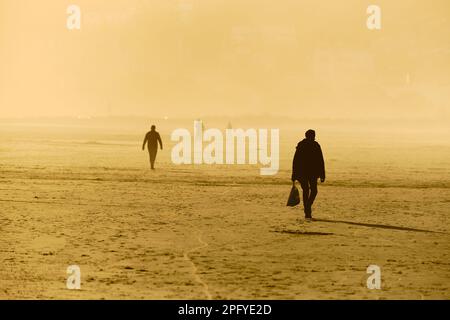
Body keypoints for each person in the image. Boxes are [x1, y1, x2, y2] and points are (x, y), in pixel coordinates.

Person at [291, 129, 325, 220]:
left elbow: (295, 161)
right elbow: (320, 160)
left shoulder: (307, 145)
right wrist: (322, 174)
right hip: (308, 172)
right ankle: (307, 210)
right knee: (310, 190)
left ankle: (307, 207)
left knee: (309, 191)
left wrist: (294, 174)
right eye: (313, 135)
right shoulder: (310, 145)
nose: (314, 137)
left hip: (306, 172)